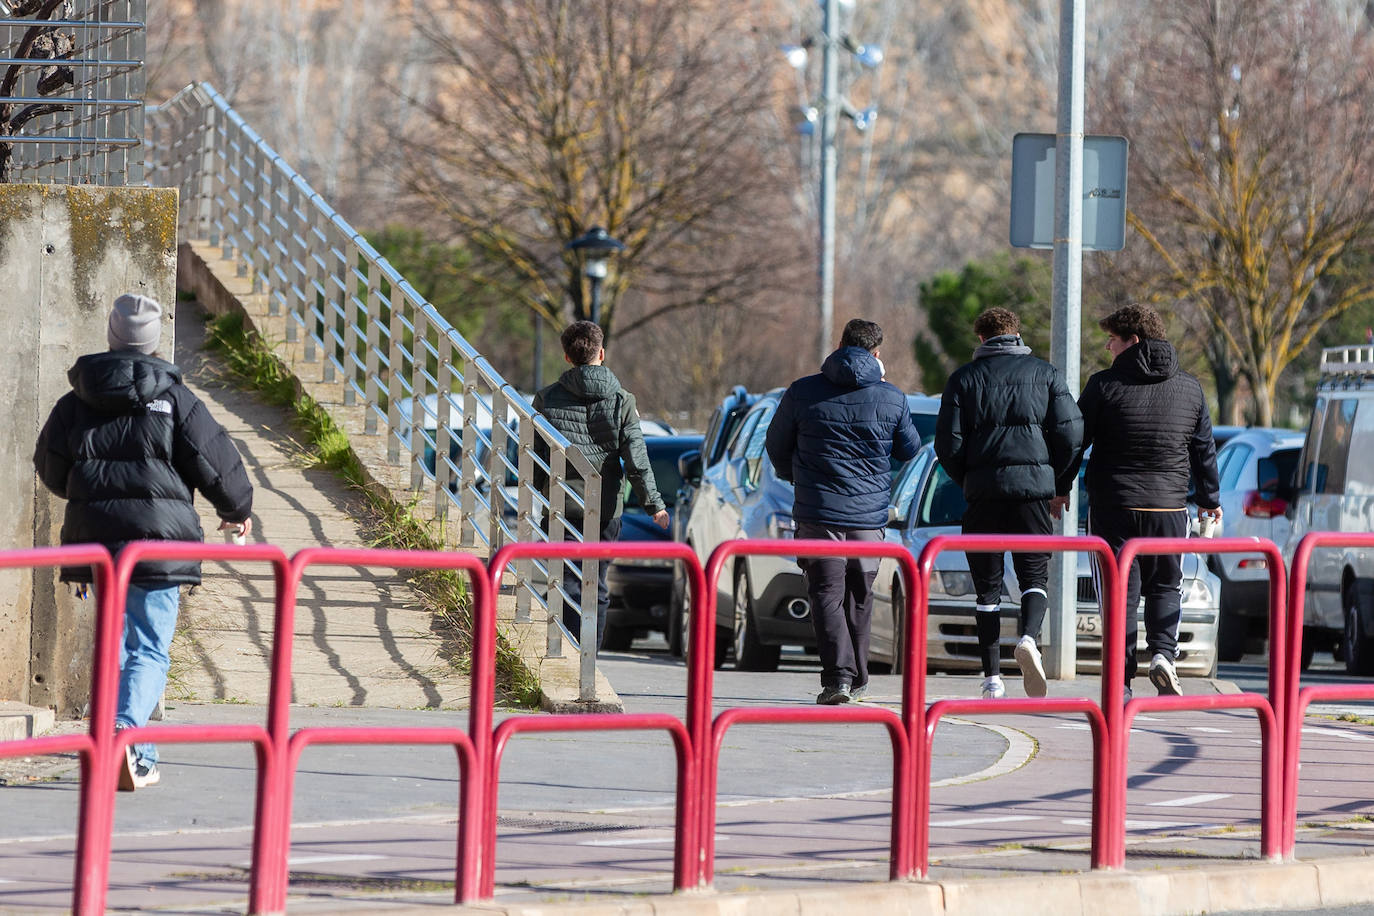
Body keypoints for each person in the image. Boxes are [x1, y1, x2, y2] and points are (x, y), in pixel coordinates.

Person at [33, 293, 254, 791]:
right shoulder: (176, 400)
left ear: (112, 336)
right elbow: (216, 461)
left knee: (111, 642)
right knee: (149, 648)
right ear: (154, 342)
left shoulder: (76, 401)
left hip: (96, 544)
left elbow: (50, 467)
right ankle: (127, 737)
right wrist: (235, 511)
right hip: (161, 544)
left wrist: (91, 497)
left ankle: (121, 743)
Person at [766, 318, 920, 705]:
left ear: (840, 345)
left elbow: (776, 444)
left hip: (818, 513)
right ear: (877, 354)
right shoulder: (892, 397)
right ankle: (859, 677)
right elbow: (910, 449)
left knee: (825, 594)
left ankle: (838, 680)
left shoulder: (803, 392)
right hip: (869, 520)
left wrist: (793, 475)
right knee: (860, 595)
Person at [935, 307, 1084, 700]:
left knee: (987, 589)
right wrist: (1059, 483)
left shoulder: (963, 380)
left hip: (983, 496)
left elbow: (947, 446)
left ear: (981, 339)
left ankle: (992, 680)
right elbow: (1071, 435)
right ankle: (1029, 639)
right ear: (1016, 335)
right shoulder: (1046, 374)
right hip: (1033, 494)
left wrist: (968, 479)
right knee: (1034, 576)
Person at [1077, 303, 1222, 701]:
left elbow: (1075, 441)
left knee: (1119, 590)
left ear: (1133, 341)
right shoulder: (1190, 387)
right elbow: (1203, 450)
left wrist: (1059, 487)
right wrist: (1210, 500)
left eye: (1112, 339)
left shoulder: (1103, 386)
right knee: (1165, 586)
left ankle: (1121, 682)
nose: (1107, 347)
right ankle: (1162, 656)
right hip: (1169, 507)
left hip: (1113, 508)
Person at [533, 320, 668, 650]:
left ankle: (565, 648)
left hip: (561, 506)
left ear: (566, 357)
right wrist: (654, 504)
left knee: (564, 581)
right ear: (602, 353)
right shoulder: (623, 400)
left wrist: (540, 492)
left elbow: (536, 456)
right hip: (606, 509)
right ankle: (589, 653)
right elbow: (636, 457)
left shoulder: (546, 399)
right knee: (597, 583)